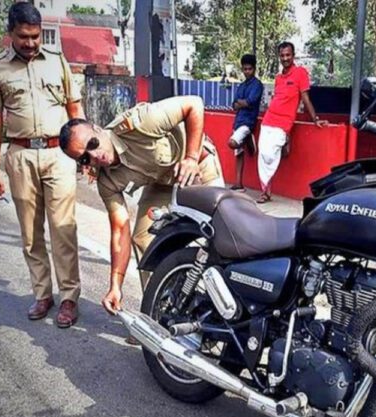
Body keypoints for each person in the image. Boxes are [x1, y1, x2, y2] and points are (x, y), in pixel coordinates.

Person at [58, 96, 224, 316]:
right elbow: (120, 231)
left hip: (197, 167)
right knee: (144, 238)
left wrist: (191, 157)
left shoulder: (140, 123)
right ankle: (158, 313)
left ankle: (221, 313)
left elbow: (194, 104)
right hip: (162, 182)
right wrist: (115, 286)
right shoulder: (106, 181)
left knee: (219, 238)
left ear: (98, 129)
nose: (95, 156)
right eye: (85, 159)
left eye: (92, 145)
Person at [0, 2, 84, 327]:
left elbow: (75, 109)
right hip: (20, 155)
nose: (30, 42)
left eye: (36, 36)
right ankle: (43, 294)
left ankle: (69, 297)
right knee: (30, 233)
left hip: (59, 154)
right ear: (11, 33)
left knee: (64, 229)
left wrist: (86, 153)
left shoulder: (57, 62)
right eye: (23, 36)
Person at [256, 41, 328, 204]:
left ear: (293, 55)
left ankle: (284, 142)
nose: (285, 58)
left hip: (283, 123)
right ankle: (265, 192)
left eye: (288, 55)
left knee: (269, 155)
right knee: (263, 155)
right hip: (268, 120)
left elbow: (305, 99)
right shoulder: (278, 78)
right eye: (282, 55)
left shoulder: (301, 73)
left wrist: (315, 119)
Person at [228, 54, 263, 192]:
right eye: (245, 69)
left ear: (254, 69)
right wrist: (242, 103)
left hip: (248, 122)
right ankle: (238, 183)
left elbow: (250, 102)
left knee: (232, 143)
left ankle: (248, 138)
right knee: (238, 154)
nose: (247, 71)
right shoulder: (241, 85)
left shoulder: (257, 85)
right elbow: (234, 104)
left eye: (249, 69)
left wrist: (241, 103)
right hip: (238, 122)